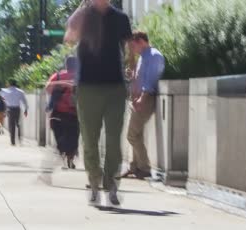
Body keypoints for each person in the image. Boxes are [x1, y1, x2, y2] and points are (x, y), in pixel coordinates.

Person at [65, 0, 134, 206]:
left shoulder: (120, 18)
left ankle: (111, 184)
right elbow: (69, 37)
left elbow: (130, 47)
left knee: (114, 140)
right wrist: (81, 7)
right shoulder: (84, 15)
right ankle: (94, 182)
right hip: (87, 87)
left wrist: (133, 72)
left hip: (115, 87)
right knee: (89, 139)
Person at [121, 31, 165, 179]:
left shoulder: (154, 56)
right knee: (136, 135)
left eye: (133, 46)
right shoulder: (143, 57)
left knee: (131, 135)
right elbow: (141, 78)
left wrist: (142, 99)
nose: (132, 50)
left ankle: (144, 167)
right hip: (138, 99)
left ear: (141, 41)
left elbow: (151, 81)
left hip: (145, 100)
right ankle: (135, 167)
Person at [45, 57, 80, 169]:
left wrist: (60, 86)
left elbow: (48, 89)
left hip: (59, 112)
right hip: (75, 113)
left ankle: (62, 152)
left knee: (59, 135)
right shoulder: (81, 76)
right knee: (73, 136)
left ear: (66, 65)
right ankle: (70, 157)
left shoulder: (58, 76)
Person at [0, 78, 29, 146]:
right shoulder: (20, 91)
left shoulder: (5, 91)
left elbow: (2, 97)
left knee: (11, 125)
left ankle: (12, 141)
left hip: (10, 109)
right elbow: (24, 101)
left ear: (9, 83)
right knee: (18, 124)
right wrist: (26, 109)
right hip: (17, 109)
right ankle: (19, 139)